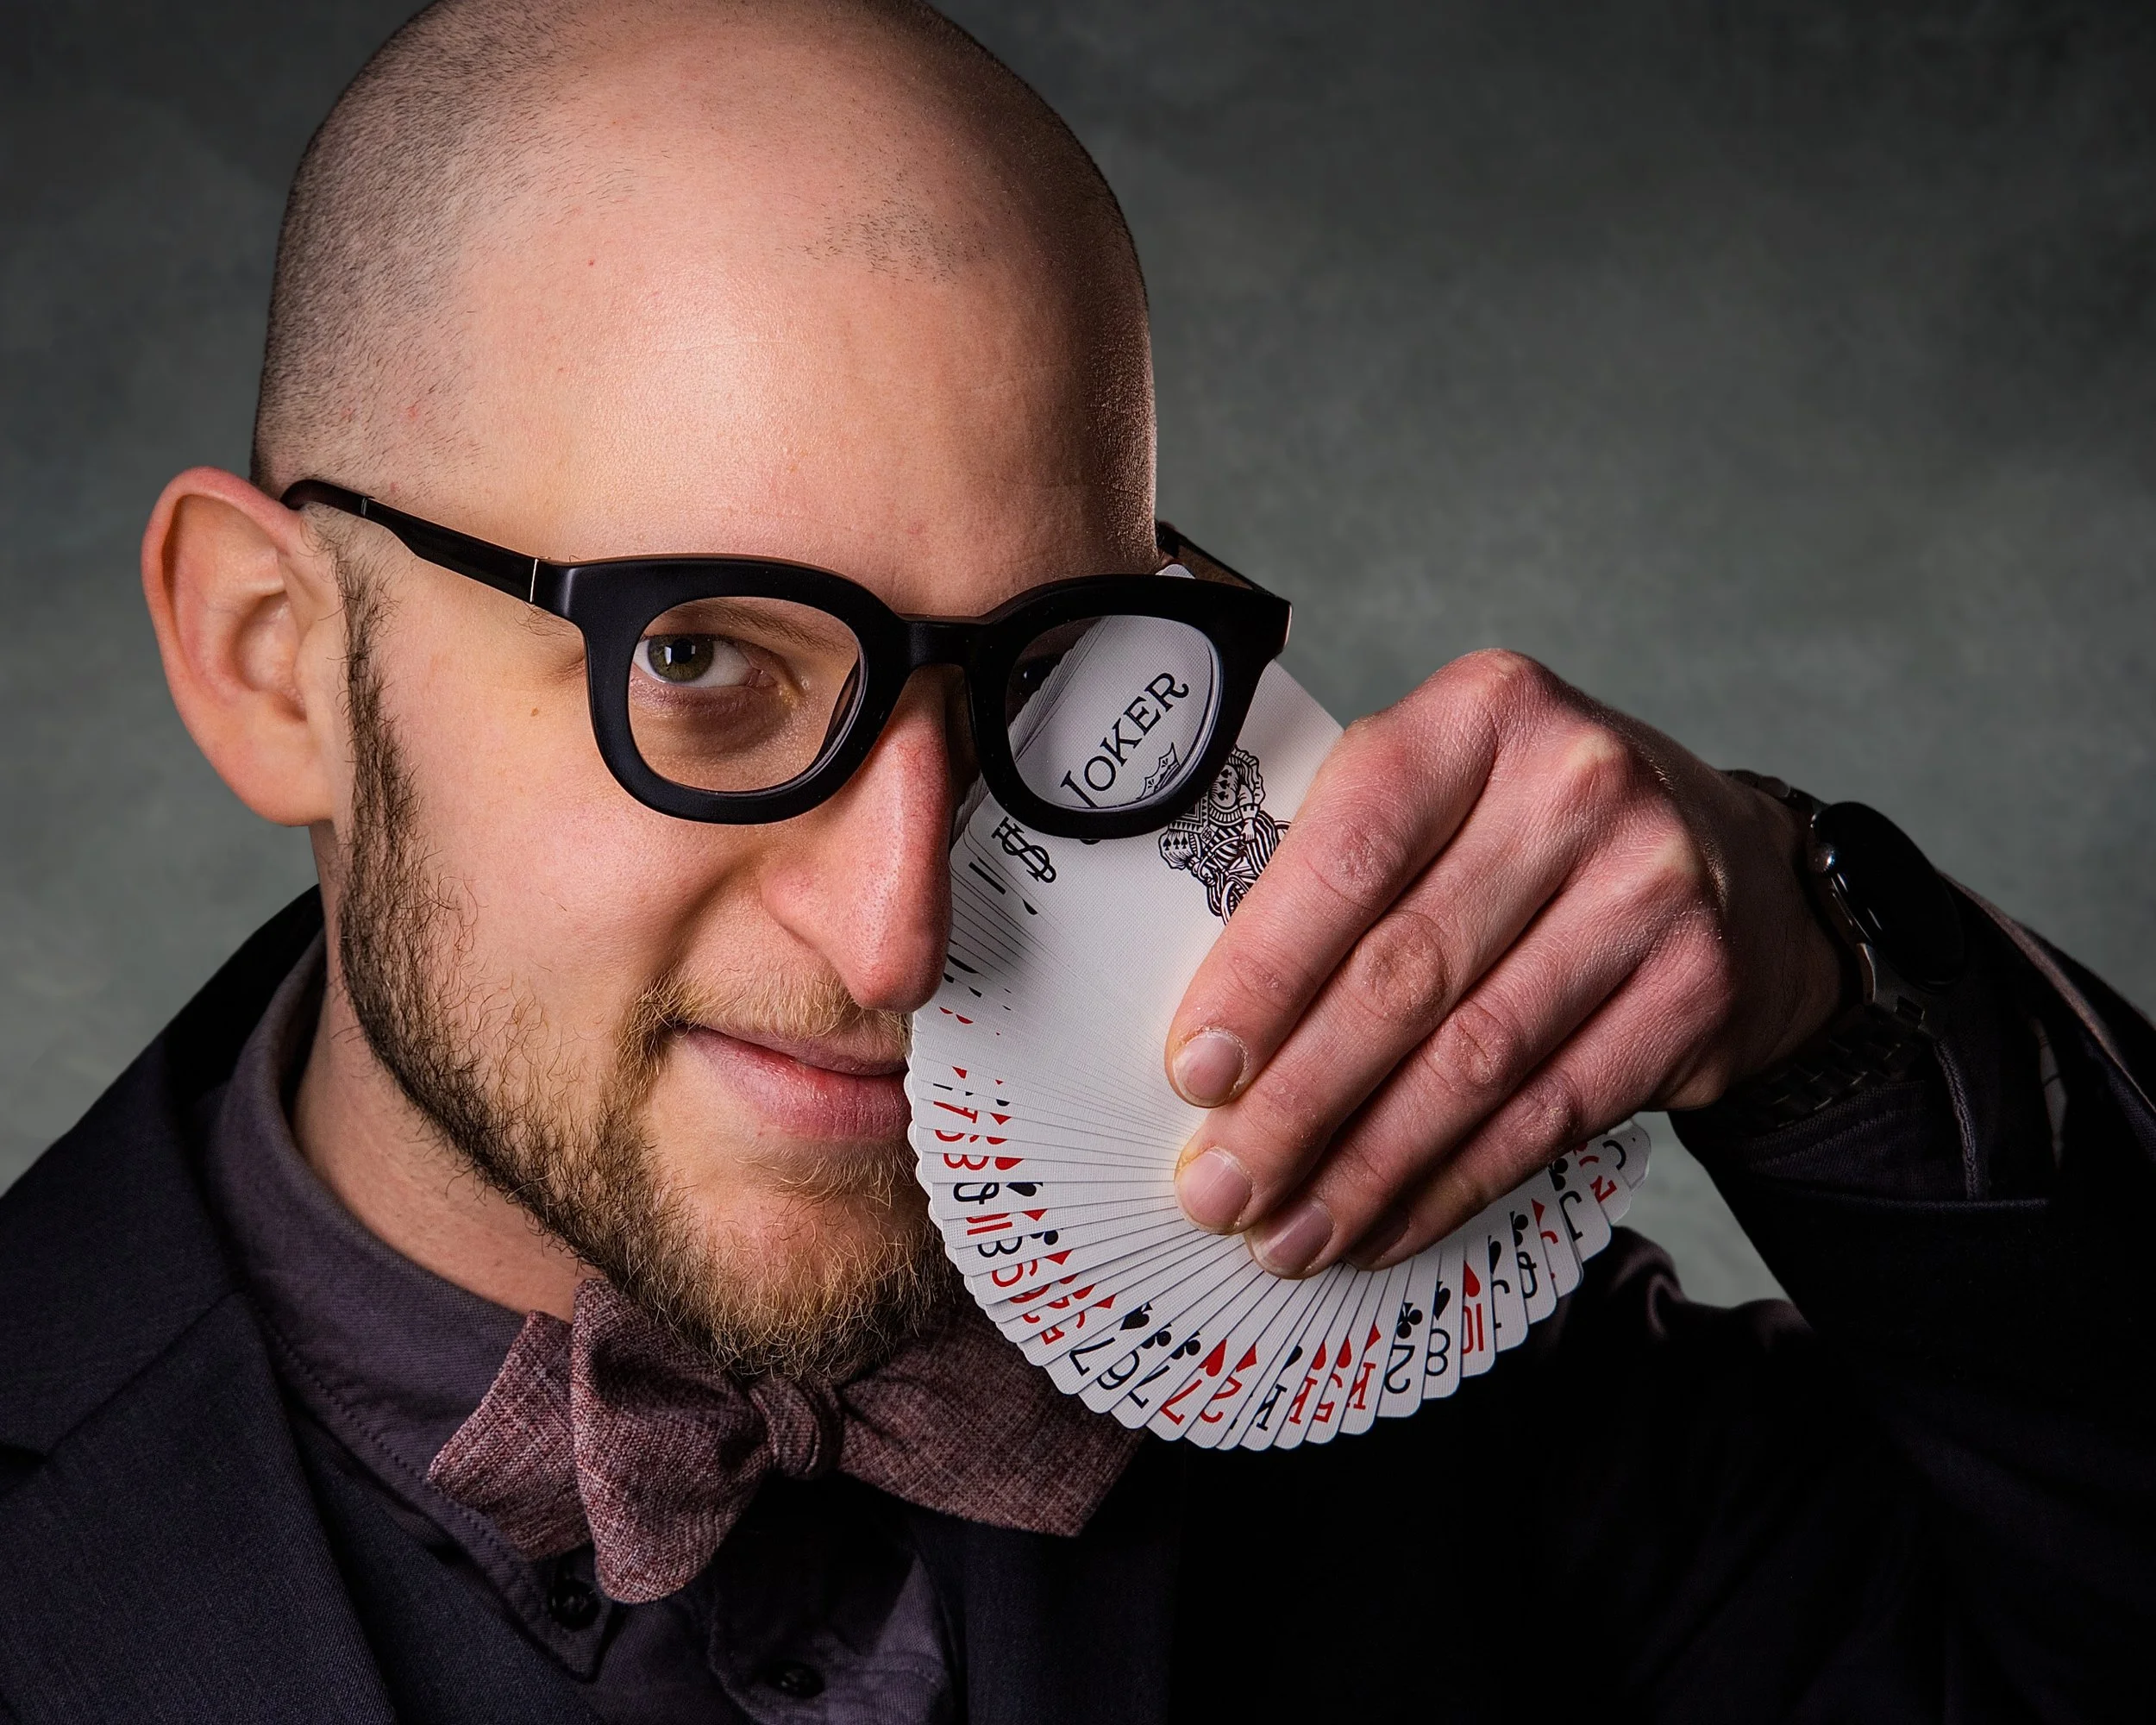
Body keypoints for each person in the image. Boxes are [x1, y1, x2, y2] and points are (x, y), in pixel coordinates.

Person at [0, 1, 2146, 1718]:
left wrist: (1815, 983)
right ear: (272, 659)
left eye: (1039, 671)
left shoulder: (1426, 1395)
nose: (900, 923)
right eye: (701, 661)